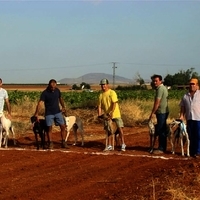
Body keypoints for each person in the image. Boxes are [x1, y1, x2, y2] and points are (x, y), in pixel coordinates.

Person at [34, 79, 67, 149]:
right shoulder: (45, 93)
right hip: (49, 113)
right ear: (49, 85)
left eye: (54, 86)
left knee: (63, 126)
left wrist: (63, 107)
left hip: (58, 112)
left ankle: (63, 142)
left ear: (56, 85)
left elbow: (60, 98)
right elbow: (40, 103)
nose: (53, 88)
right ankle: (50, 142)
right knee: (49, 128)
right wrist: (36, 113)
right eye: (52, 87)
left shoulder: (57, 90)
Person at [97, 78, 126, 151]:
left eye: (104, 84)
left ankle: (123, 144)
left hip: (115, 114)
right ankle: (109, 145)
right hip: (107, 116)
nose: (103, 86)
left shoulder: (112, 92)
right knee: (108, 130)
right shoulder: (101, 95)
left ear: (107, 85)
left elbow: (114, 103)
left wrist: (112, 112)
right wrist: (99, 115)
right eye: (102, 85)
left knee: (120, 129)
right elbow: (99, 106)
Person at [180, 78, 200, 157]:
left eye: (193, 84)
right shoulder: (185, 95)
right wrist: (181, 115)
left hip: (198, 118)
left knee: (198, 135)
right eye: (190, 84)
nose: (191, 86)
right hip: (189, 118)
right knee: (190, 136)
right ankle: (192, 151)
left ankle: (198, 151)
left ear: (197, 85)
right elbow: (183, 107)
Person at [149, 74, 169, 154]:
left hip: (162, 112)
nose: (154, 82)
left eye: (156, 81)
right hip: (164, 111)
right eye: (154, 81)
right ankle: (162, 147)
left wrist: (152, 113)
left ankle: (161, 148)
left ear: (160, 81)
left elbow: (157, 102)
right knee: (162, 129)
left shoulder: (160, 89)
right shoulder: (163, 88)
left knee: (161, 130)